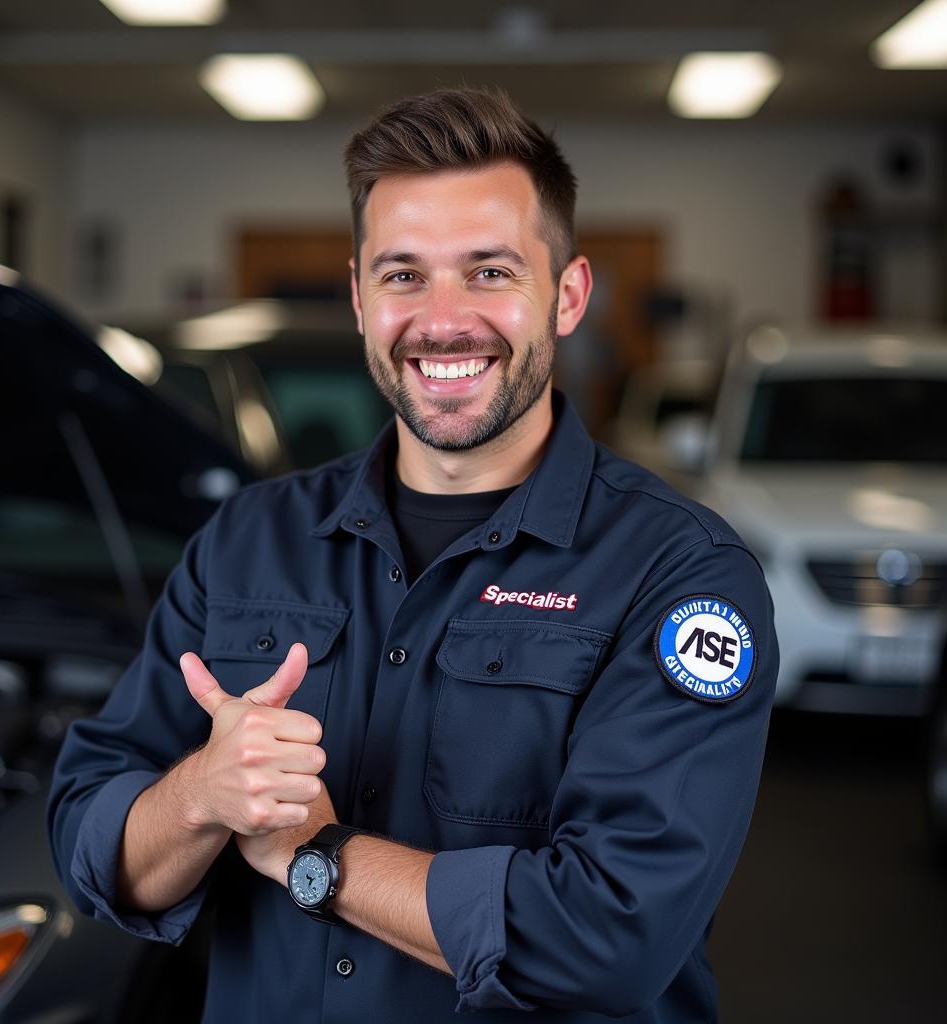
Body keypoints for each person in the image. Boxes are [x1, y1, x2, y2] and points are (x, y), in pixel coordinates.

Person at [48, 87, 777, 1023]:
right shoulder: (245, 542)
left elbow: (610, 936)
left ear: (567, 296)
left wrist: (322, 859)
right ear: (358, 298)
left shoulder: (679, 577)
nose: (442, 320)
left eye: (488, 272)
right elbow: (87, 841)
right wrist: (201, 793)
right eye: (403, 275)